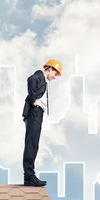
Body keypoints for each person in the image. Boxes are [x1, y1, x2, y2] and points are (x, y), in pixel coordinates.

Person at [22, 59, 62, 187]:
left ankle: (29, 177)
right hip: (34, 112)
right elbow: (30, 79)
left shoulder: (43, 81)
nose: (55, 77)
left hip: (37, 113)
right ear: (49, 69)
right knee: (32, 144)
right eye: (55, 74)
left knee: (34, 144)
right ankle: (29, 176)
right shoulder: (39, 76)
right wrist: (33, 100)